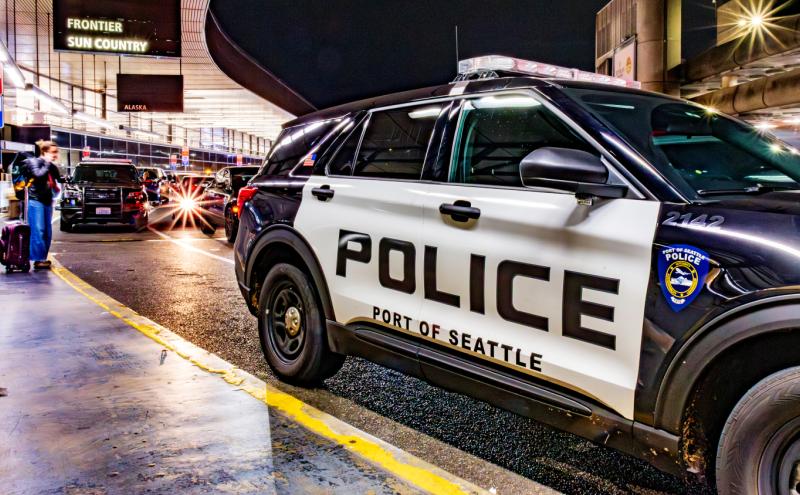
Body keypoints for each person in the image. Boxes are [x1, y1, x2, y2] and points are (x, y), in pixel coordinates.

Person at [22, 140, 62, 270]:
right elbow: (38, 175)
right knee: (38, 230)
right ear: (45, 152)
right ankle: (38, 259)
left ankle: (42, 257)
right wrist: (47, 162)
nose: (56, 154)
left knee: (47, 232)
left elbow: (59, 179)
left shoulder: (52, 166)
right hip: (36, 200)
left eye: (56, 152)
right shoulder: (35, 162)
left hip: (47, 201)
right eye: (53, 152)